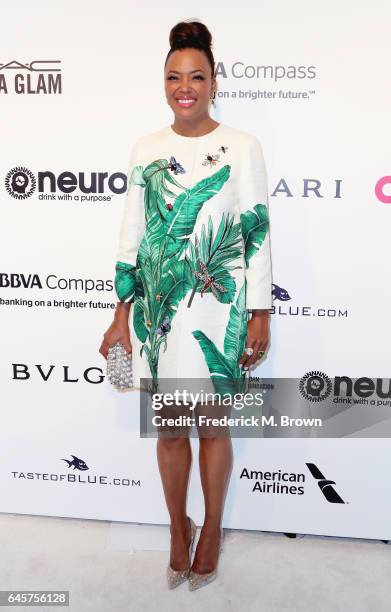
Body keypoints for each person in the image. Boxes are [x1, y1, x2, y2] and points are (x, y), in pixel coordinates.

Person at [99, 19, 273, 591]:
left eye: (196, 75)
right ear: (164, 84)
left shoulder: (243, 148)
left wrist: (260, 312)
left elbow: (256, 232)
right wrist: (121, 313)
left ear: (214, 81)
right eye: (174, 77)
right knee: (172, 431)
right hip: (161, 310)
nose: (185, 86)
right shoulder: (147, 149)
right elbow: (133, 233)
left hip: (218, 311)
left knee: (213, 430)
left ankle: (215, 525)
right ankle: (179, 527)